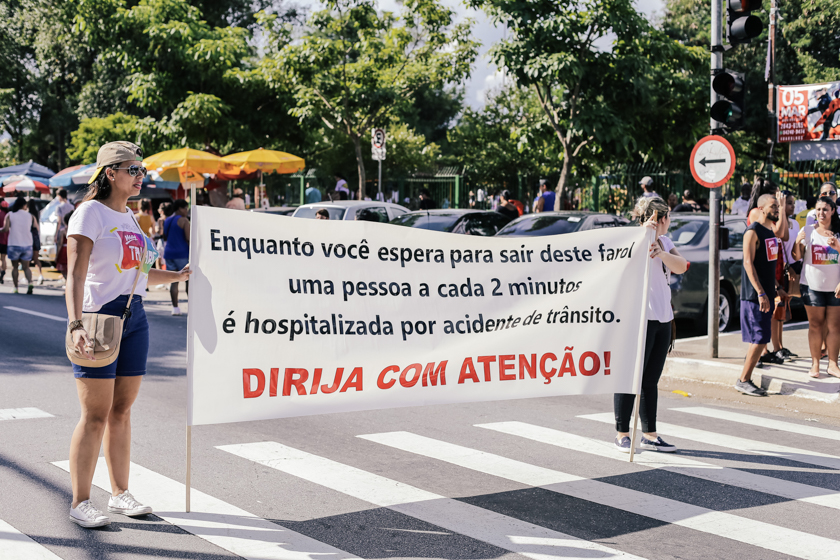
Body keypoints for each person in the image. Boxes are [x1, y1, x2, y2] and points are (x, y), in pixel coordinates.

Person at [65, 141, 190, 529]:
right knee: (95, 415)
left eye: (142, 171)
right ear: (110, 173)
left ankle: (120, 493)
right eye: (133, 170)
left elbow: (140, 274)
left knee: (122, 411)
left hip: (135, 318)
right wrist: (75, 323)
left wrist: (179, 276)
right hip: (99, 317)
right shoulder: (90, 213)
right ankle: (81, 501)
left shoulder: (133, 219)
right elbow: (75, 274)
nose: (141, 177)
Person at [614, 196, 687, 453]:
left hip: (663, 318)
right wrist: (643, 241)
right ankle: (622, 432)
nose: (669, 223)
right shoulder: (634, 240)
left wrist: (662, 253)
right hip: (640, 319)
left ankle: (650, 433)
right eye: (667, 218)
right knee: (629, 377)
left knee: (650, 380)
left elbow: (682, 266)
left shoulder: (665, 242)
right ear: (659, 218)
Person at [736, 194, 784, 396]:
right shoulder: (753, 231)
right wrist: (761, 293)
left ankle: (744, 379)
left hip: (767, 292)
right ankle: (743, 380)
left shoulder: (770, 231)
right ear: (762, 208)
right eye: (774, 206)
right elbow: (748, 263)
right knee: (760, 337)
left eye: (777, 206)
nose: (776, 209)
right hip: (755, 295)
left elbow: (767, 266)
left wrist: (776, 287)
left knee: (761, 337)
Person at [792, 195, 840, 379]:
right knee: (815, 325)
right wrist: (797, 241)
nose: (821, 213)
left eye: (825, 209)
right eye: (818, 209)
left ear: (833, 211)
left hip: (835, 288)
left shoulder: (838, 233)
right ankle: (815, 364)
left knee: (835, 326)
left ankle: (833, 364)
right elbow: (796, 256)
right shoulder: (808, 230)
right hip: (811, 287)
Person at [769, 193, 801, 361]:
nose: (792, 206)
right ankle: (776, 347)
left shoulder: (794, 223)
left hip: (787, 268)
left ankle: (780, 345)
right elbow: (782, 239)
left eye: (793, 203)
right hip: (779, 269)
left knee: (782, 310)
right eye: (788, 203)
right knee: (776, 310)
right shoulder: (775, 224)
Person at [0, 196, 36, 294]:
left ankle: (16, 287)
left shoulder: (10, 214)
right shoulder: (30, 215)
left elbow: (5, 229)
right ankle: (30, 283)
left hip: (14, 244)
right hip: (28, 244)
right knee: (26, 267)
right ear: (24, 205)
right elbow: (35, 228)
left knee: (15, 267)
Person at [163, 199, 190, 316]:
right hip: (182, 254)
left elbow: (164, 236)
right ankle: (192, 307)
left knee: (174, 281)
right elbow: (189, 238)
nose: (187, 211)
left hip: (169, 253)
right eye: (185, 208)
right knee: (189, 281)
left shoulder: (167, 220)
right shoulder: (184, 221)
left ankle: (175, 308)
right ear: (180, 208)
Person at [28, 200, 44, 284]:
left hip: (29, 239)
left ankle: (28, 278)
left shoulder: (29, 215)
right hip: (36, 238)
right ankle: (40, 275)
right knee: (36, 259)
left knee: (27, 260)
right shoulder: (37, 214)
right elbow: (38, 229)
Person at [55, 210, 73, 282]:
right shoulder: (75, 229)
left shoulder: (63, 230)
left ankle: (67, 284)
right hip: (72, 249)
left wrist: (57, 255)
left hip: (64, 250)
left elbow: (60, 243)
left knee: (64, 270)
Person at [0, 199, 8, 284]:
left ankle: (1, 270)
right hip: (6, 240)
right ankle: (3, 272)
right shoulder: (8, 215)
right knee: (3, 258)